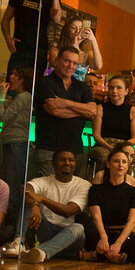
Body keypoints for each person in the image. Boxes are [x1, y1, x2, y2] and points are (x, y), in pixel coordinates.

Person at [16, 149, 90, 263]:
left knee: (78, 228)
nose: (67, 163)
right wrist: (34, 204)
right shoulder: (44, 181)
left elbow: (68, 211)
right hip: (45, 230)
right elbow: (25, 189)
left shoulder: (84, 185)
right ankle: (18, 243)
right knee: (27, 202)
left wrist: (42, 199)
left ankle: (41, 252)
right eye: (62, 160)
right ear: (53, 164)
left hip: (69, 236)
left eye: (71, 160)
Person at [33, 46, 96, 177]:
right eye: (67, 61)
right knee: (46, 189)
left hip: (75, 151)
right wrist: (82, 111)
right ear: (57, 61)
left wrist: (66, 103)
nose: (70, 66)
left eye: (74, 63)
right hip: (48, 149)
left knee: (70, 189)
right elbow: (54, 110)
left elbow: (92, 111)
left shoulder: (82, 87)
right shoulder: (44, 83)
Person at [84, 148, 135, 264]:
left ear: (127, 166)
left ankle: (97, 256)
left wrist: (118, 243)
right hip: (101, 234)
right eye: (116, 161)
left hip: (122, 235)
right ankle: (114, 257)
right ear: (108, 164)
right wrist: (103, 238)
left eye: (124, 162)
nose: (120, 165)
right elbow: (96, 217)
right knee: (81, 218)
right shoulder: (95, 189)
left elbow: (132, 221)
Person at [1, 0, 62, 78]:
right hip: (19, 48)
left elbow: (56, 19)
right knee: (12, 81)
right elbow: (5, 20)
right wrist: (8, 38)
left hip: (40, 50)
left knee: (34, 85)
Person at [0, 66, 33, 227]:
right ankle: (11, 227)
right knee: (12, 186)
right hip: (15, 144)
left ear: (22, 80)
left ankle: (10, 228)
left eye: (15, 75)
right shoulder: (24, 97)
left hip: (15, 145)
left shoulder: (23, 97)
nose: (10, 77)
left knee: (11, 189)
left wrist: (1, 96)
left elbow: (1, 117)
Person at [90, 75, 135, 170]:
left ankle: (124, 179)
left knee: (126, 157)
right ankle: (101, 178)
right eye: (111, 88)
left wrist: (121, 147)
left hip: (124, 146)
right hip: (103, 144)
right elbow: (96, 135)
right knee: (105, 156)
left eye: (119, 88)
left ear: (126, 91)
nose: (114, 91)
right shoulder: (100, 108)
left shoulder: (133, 111)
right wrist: (110, 147)